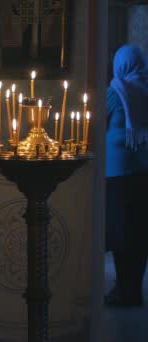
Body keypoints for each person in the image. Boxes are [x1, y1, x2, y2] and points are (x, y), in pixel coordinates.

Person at [105, 45, 148, 307]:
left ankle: (124, 290)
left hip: (118, 174)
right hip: (145, 173)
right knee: (139, 235)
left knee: (121, 235)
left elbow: (97, 123)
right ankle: (133, 289)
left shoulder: (116, 92)